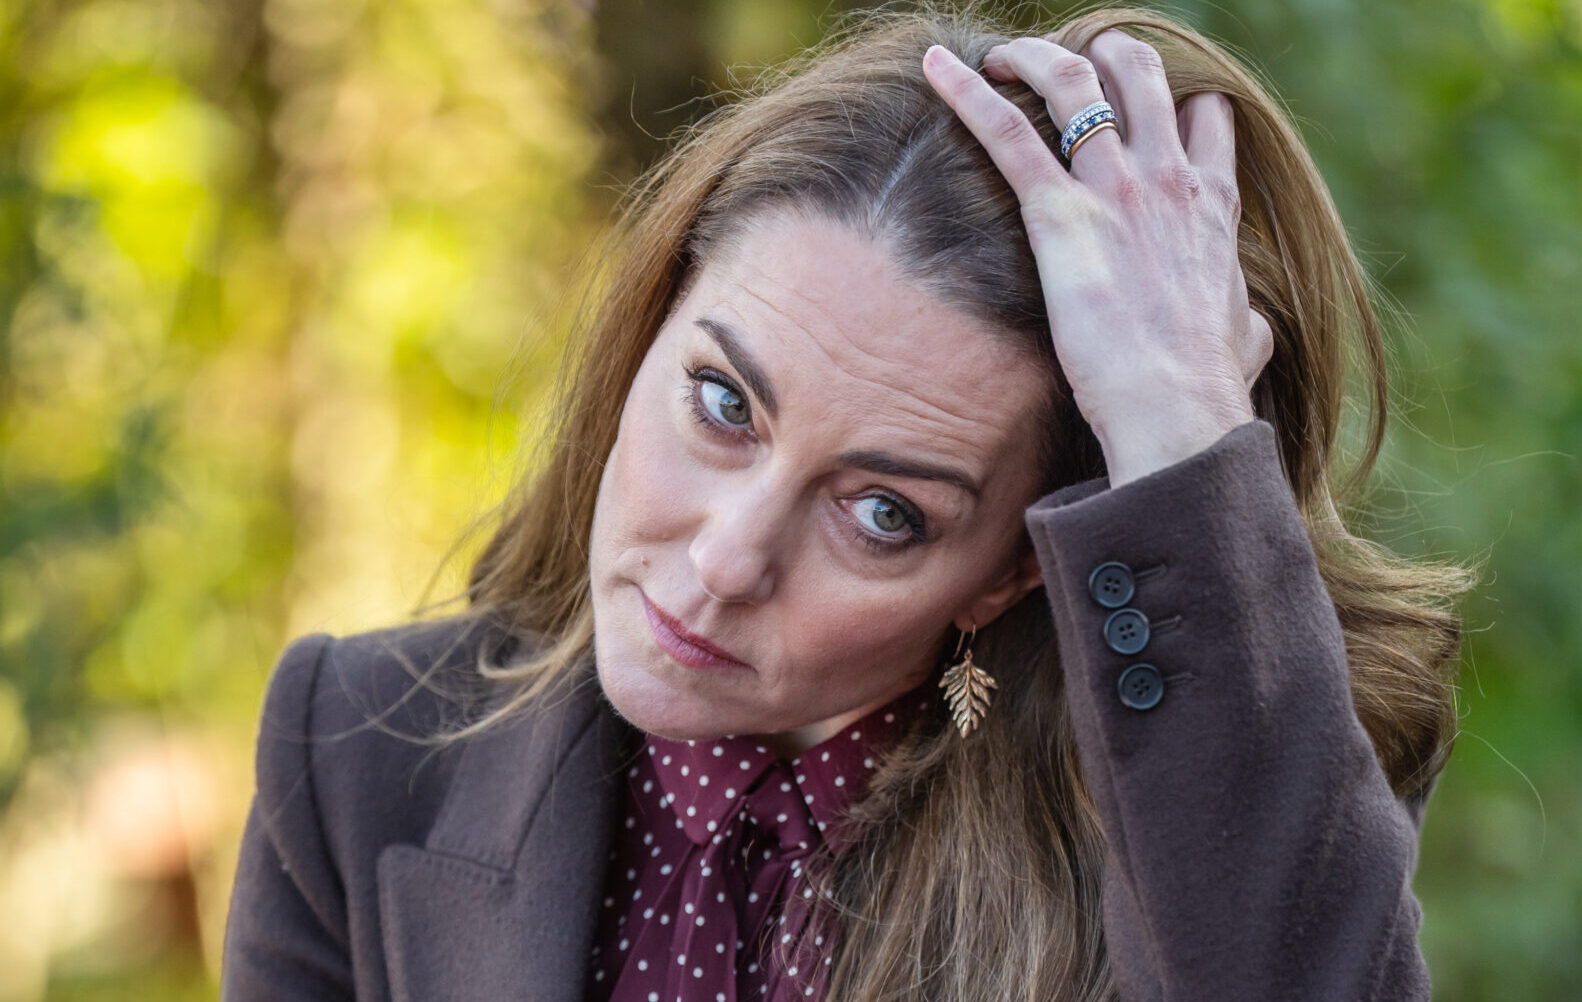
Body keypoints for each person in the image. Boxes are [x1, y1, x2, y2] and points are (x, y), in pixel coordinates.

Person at [220, 5, 1474, 1001]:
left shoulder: (1201, 809)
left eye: (883, 514)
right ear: (646, 333)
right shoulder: (356, 749)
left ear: (1011, 568)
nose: (723, 562)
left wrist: (1180, 427)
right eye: (721, 405)